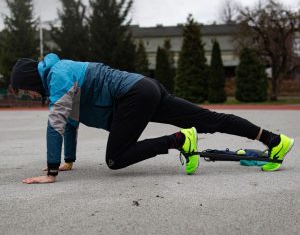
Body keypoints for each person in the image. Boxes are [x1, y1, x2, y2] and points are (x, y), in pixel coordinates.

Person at [10, 53, 294, 184]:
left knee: (115, 158)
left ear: (32, 81)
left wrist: (50, 173)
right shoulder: (61, 76)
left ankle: (180, 139)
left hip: (133, 96)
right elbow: (70, 124)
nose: (29, 95)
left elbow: (55, 126)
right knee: (209, 119)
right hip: (144, 89)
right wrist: (68, 161)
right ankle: (274, 140)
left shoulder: (58, 76)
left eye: (26, 90)